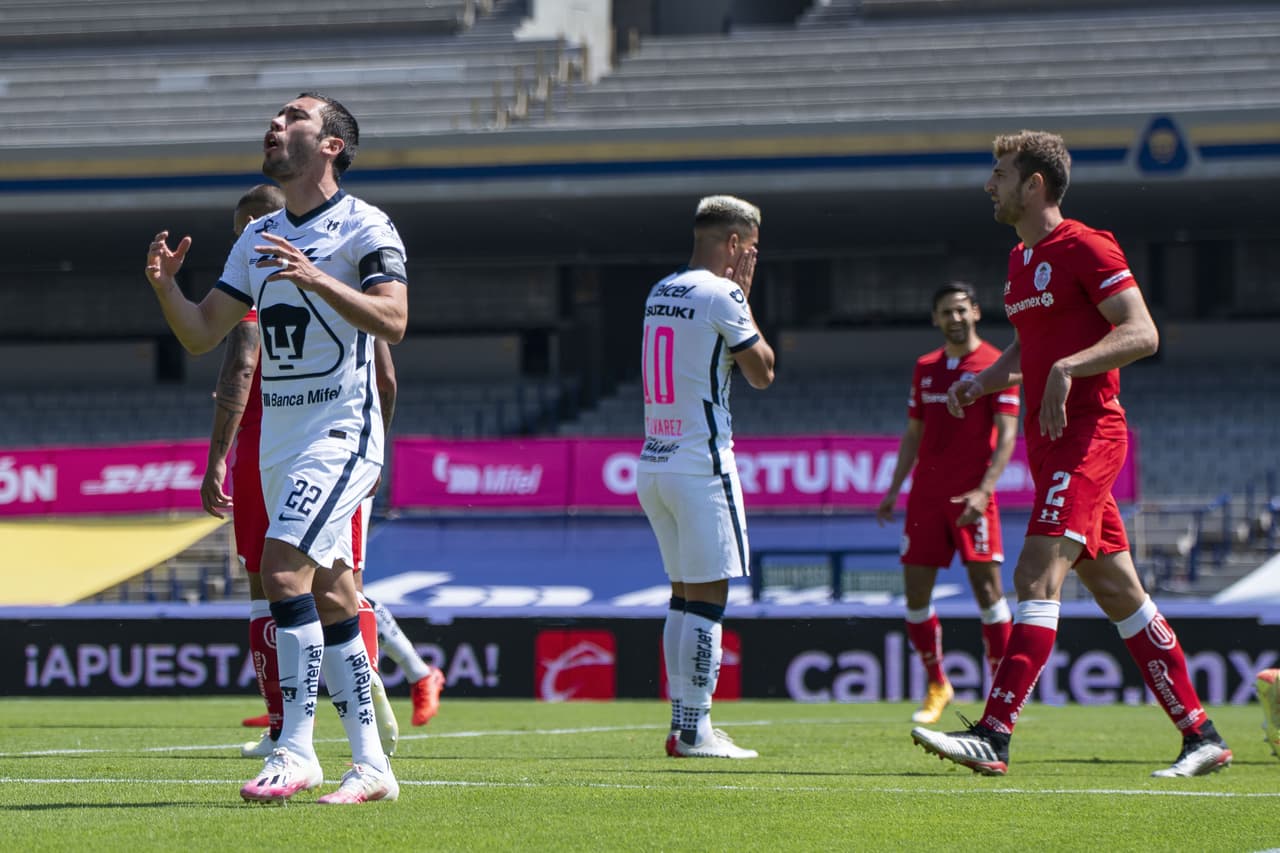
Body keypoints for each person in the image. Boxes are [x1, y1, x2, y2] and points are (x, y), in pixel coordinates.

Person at [911, 130, 1232, 777]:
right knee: (1120, 592)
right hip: (1051, 443)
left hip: (1090, 436)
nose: (989, 185)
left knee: (1034, 575)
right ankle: (1201, 734)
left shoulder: (1086, 245)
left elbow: (1142, 332)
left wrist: (1068, 367)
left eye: (1000, 174)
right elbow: (1027, 346)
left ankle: (994, 734)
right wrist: (983, 381)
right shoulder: (1019, 260)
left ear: (1034, 185)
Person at [147, 92, 408, 804]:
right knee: (334, 594)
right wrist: (167, 290)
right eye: (275, 116)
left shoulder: (365, 224)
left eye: (294, 117)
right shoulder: (257, 236)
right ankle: (372, 766)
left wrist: (316, 275)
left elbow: (394, 319)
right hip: (281, 442)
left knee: (282, 572)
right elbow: (202, 333)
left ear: (331, 145)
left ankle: (294, 749)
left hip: (340, 431)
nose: (275, 123)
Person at [198, 210, 443, 757]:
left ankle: (298, 731)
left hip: (311, 447)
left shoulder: (312, 277)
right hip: (298, 449)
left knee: (296, 583)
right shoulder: (280, 281)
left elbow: (240, 370)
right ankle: (336, 720)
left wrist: (216, 458)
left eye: (246, 229)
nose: (244, 243)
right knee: (320, 585)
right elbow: (385, 376)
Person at [637, 195, 775, 760]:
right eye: (753, 249)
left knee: (682, 596)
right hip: (701, 464)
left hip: (654, 461)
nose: (753, 259)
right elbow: (763, 372)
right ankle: (696, 730)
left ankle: (683, 724)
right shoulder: (724, 294)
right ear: (735, 243)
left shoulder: (661, 289)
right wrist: (747, 304)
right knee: (709, 598)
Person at [876, 281, 1017, 725]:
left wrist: (985, 490)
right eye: (945, 311)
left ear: (975, 311)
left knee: (989, 594)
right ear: (935, 319)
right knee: (916, 595)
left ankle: (1001, 692)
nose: (954, 318)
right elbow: (913, 433)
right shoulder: (925, 368)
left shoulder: (997, 364)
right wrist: (894, 489)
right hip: (925, 499)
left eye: (961, 309)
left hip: (972, 496)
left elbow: (1008, 436)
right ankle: (938, 684)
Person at [1258, 668, 1280, 758]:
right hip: (1271, 679)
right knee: (1275, 722)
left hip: (1267, 678)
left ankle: (1269, 731)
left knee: (1273, 720)